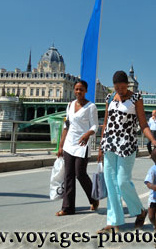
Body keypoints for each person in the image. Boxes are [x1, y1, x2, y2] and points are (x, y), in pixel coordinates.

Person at [98, 71, 156, 233]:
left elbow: (143, 124)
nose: (120, 90)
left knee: (122, 181)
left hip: (127, 143)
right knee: (111, 184)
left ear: (127, 84)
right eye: (116, 87)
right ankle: (114, 222)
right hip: (109, 143)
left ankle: (139, 211)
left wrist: (152, 140)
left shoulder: (136, 99)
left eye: (122, 86)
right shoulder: (109, 98)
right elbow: (106, 123)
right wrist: (100, 144)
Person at [55, 80, 99, 216]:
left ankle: (93, 198)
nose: (78, 92)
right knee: (68, 176)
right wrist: (61, 146)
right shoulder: (70, 105)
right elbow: (66, 126)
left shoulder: (91, 107)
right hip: (69, 144)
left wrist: (87, 134)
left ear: (86, 91)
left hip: (82, 144)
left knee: (80, 174)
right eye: (76, 89)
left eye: (81, 89)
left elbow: (95, 126)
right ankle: (67, 208)